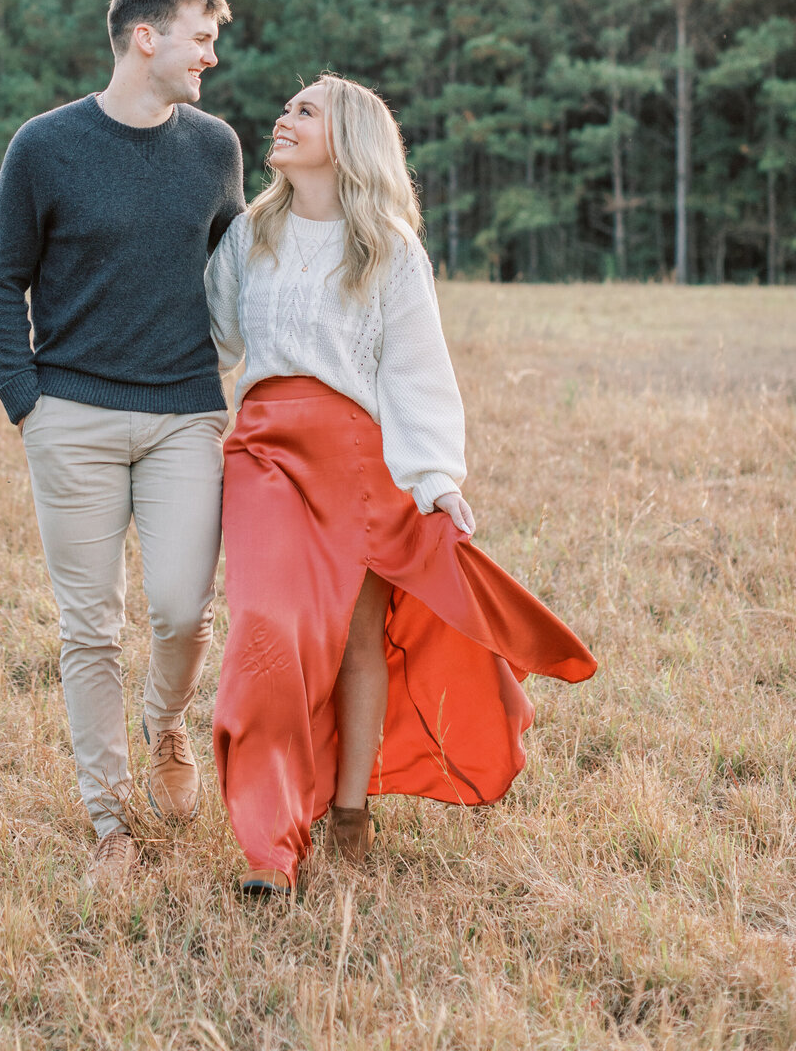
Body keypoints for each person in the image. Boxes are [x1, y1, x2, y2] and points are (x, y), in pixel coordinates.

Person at [205, 74, 596, 897]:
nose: (283, 116)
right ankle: (271, 847)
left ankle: (348, 814)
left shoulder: (387, 244)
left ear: (348, 137)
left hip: (359, 457)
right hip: (267, 453)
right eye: (286, 107)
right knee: (267, 630)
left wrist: (435, 480)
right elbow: (213, 338)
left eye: (304, 110)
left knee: (356, 640)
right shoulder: (251, 234)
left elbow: (417, 371)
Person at [0, 0, 244, 884]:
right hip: (72, 417)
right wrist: (28, 404)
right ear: (146, 37)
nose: (211, 54)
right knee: (89, 629)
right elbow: (0, 278)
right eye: (200, 36)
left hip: (184, 416)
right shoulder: (44, 147)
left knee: (180, 607)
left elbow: (239, 275)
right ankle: (109, 825)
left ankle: (166, 721)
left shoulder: (216, 148)